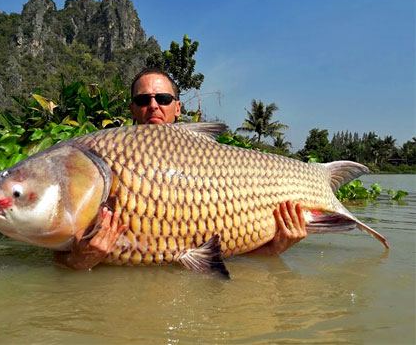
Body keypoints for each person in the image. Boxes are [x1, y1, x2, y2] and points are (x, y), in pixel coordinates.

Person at [56, 68, 307, 269]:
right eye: (143, 100)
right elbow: (59, 257)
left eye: (163, 99)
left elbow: (239, 259)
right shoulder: (106, 153)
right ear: (132, 108)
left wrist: (274, 248)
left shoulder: (215, 166)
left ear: (177, 107)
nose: (153, 106)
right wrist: (80, 260)